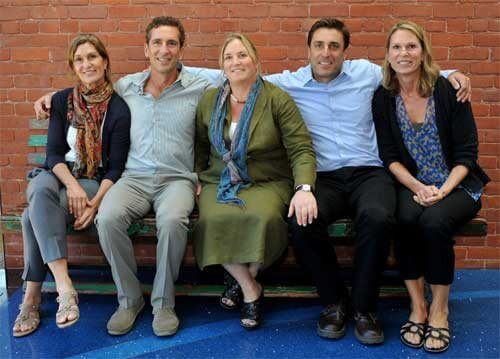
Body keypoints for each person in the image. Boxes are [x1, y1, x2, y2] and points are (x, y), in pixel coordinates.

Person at [189, 18, 472, 345]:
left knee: (379, 218)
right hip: (322, 176)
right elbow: (233, 71)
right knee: (301, 220)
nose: (326, 53)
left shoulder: (366, 74)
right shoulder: (289, 82)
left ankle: (365, 309)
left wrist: (454, 75)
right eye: (319, 46)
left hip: (369, 171)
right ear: (308, 50)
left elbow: (407, 66)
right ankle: (334, 302)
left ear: (344, 51)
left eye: (334, 46)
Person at [34, 17, 210, 337]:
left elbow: (241, 72)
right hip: (134, 177)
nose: (164, 50)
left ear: (181, 49)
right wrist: (52, 97)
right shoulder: (127, 86)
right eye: (157, 43)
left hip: (177, 179)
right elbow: (89, 85)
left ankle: (163, 303)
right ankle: (129, 299)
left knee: (172, 221)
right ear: (146, 48)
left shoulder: (200, 84)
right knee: (109, 218)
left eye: (171, 43)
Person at [372, 21, 489, 353]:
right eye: (397, 47)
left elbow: (467, 153)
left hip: (458, 184)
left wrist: (443, 190)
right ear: (388, 54)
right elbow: (389, 156)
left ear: (423, 51)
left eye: (411, 46)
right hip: (412, 184)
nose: (404, 53)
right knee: (406, 219)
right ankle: (417, 306)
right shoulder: (383, 96)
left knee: (434, 221)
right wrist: (418, 186)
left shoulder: (448, 90)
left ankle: (439, 309)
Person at [194, 33, 316, 329]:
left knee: (262, 218)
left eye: (242, 55)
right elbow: (199, 144)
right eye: (229, 57)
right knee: (211, 220)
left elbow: (300, 148)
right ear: (221, 66)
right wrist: (195, 177)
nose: (236, 62)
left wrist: (304, 188)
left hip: (267, 179)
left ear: (256, 60)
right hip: (219, 179)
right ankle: (250, 287)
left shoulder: (276, 99)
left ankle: (239, 282)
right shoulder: (210, 100)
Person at [13, 34, 131, 337]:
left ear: (104, 61)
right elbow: (53, 154)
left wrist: (94, 198)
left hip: (95, 182)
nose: (86, 64)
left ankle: (31, 296)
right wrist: (72, 187)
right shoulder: (63, 100)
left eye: (92, 57)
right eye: (79, 59)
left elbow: (115, 167)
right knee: (40, 189)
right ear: (72, 66)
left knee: (31, 215)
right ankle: (65, 287)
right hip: (62, 177)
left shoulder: (118, 109)